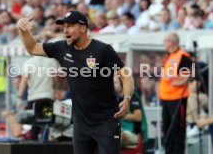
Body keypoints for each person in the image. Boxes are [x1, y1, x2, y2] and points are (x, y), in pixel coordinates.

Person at [16, 10, 134, 154]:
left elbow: (125, 75)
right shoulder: (61, 48)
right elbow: (32, 48)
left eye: (70, 26)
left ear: (83, 28)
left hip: (106, 122)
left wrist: (127, 98)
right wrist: (23, 30)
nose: (65, 30)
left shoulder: (102, 50)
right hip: (80, 123)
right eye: (64, 26)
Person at [159, 32, 193, 154]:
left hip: (177, 98)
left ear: (171, 42)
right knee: (166, 128)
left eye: (164, 41)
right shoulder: (169, 56)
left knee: (178, 128)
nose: (163, 44)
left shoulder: (182, 55)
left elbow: (189, 73)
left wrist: (178, 82)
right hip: (166, 98)